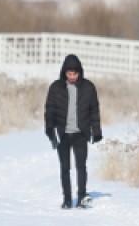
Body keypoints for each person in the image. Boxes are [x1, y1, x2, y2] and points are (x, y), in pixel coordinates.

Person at [44, 53, 102, 209]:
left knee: (81, 166)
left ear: (79, 72)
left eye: (74, 73)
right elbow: (49, 110)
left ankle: (82, 197)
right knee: (65, 168)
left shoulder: (88, 87)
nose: (72, 76)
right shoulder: (55, 87)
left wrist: (96, 131)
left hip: (80, 134)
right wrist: (50, 129)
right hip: (62, 134)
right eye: (69, 73)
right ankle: (67, 199)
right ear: (64, 72)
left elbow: (94, 110)